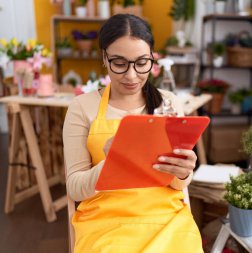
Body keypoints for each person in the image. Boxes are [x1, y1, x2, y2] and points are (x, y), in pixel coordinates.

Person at [63, 14, 203, 253]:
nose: (131, 75)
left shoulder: (168, 103)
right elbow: (75, 188)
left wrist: (183, 172)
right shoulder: (82, 107)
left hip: (166, 218)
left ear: (152, 59)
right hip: (104, 221)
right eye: (119, 63)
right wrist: (110, 163)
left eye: (141, 63)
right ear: (104, 58)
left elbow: (178, 185)